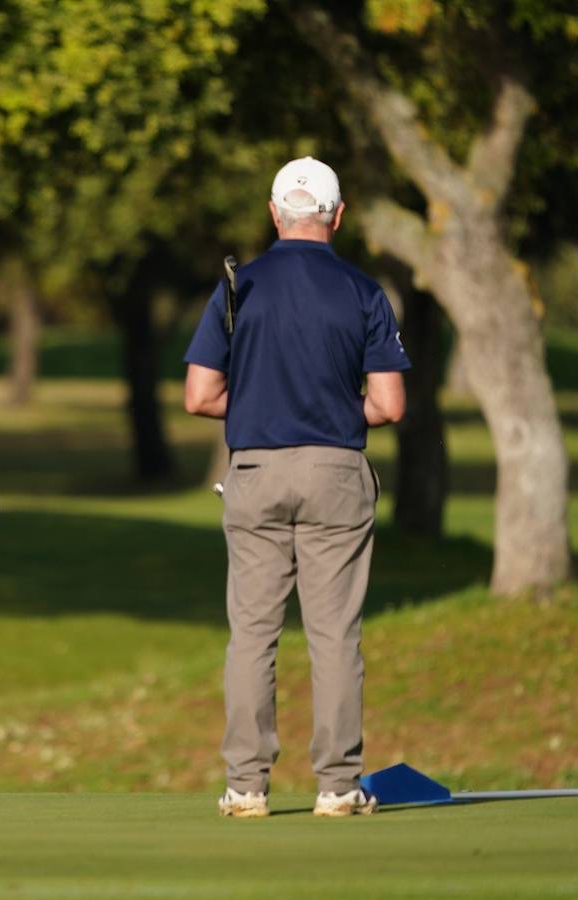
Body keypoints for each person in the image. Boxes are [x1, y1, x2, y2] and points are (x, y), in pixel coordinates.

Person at [183, 157, 410, 818]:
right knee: (333, 633)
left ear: (275, 213)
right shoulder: (364, 290)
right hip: (337, 470)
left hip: (255, 467)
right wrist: (338, 409)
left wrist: (260, 401)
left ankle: (246, 786)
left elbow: (200, 395)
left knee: (252, 633)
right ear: (337, 216)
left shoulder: (238, 286)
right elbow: (390, 403)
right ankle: (338, 785)